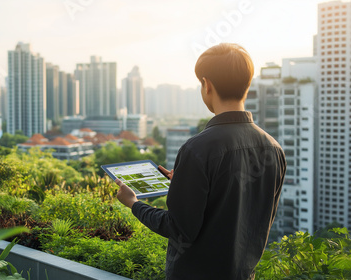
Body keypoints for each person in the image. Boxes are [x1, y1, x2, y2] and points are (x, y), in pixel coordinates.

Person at [115, 43, 286, 280]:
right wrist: (185, 181)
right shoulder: (274, 149)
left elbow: (178, 229)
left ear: (207, 85)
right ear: (246, 86)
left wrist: (134, 204)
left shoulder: (198, 149)